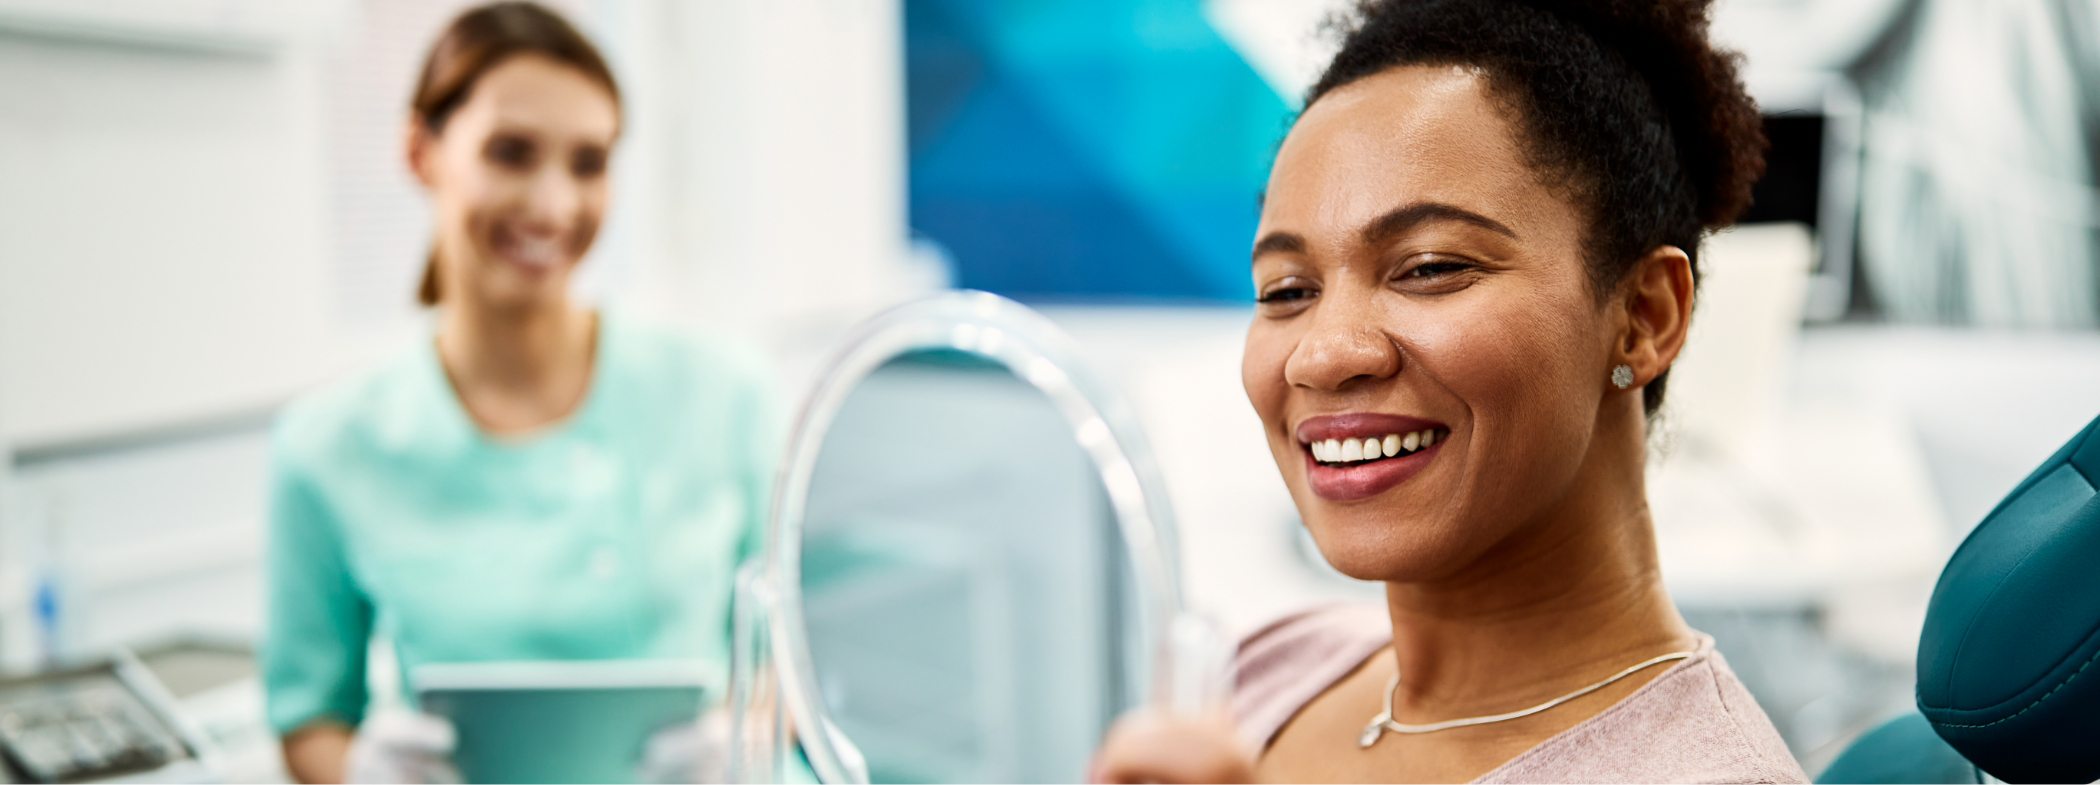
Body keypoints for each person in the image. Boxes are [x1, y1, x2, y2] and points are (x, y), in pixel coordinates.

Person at [1092, 0, 1805, 782]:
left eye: (1429, 267)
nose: (1325, 355)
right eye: (1288, 290)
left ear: (1643, 315)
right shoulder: (1268, 671)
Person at [261, 3, 773, 782]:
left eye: (589, 163)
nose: (553, 204)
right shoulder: (328, 447)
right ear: (419, 151)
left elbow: (797, 661)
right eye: (511, 152)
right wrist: (361, 774)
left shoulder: (724, 395)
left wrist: (747, 744)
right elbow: (309, 718)